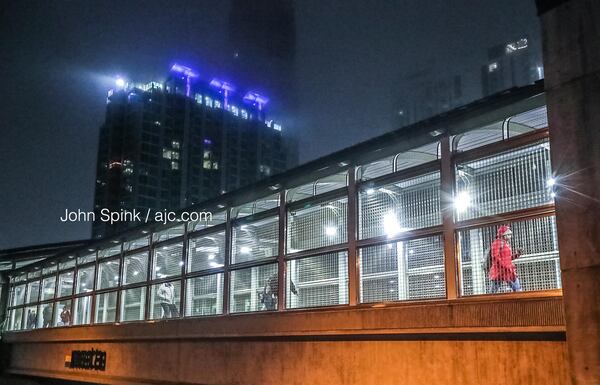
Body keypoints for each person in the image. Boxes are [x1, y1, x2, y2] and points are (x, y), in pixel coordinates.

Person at [489, 225, 523, 293]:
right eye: (508, 234)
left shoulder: (506, 243)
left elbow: (508, 258)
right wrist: (504, 265)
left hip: (507, 271)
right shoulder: (497, 243)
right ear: (503, 234)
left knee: (517, 288)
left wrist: (517, 254)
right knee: (493, 292)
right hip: (500, 271)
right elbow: (495, 257)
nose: (510, 236)